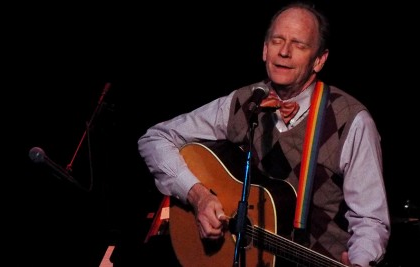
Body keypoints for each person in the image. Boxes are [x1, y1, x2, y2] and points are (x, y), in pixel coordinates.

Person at [137, 2, 390, 267]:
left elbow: (370, 219)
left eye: (299, 45)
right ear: (264, 49)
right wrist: (198, 195)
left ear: (319, 60)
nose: (284, 52)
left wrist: (362, 262)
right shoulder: (243, 101)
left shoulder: (351, 120)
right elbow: (155, 139)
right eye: (277, 41)